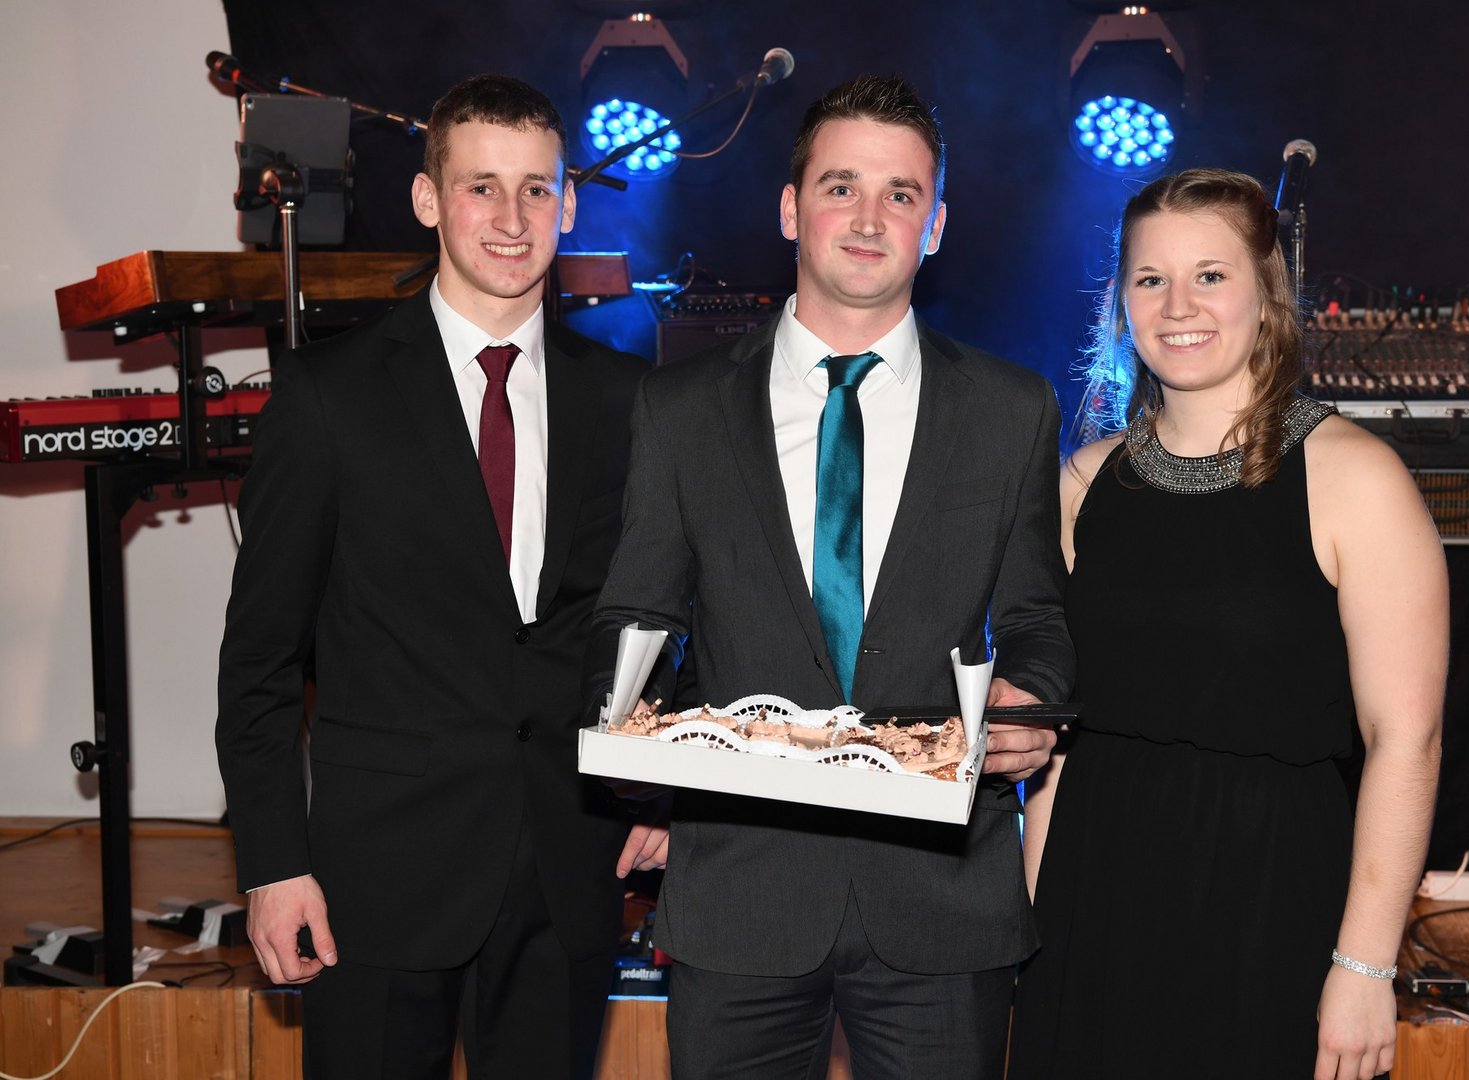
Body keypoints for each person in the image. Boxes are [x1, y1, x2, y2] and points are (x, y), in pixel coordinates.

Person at [584, 74, 1074, 1079]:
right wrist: (637, 747)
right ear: (789, 208)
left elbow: (1036, 617)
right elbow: (634, 617)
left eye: (901, 193)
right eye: (841, 186)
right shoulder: (679, 408)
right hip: (740, 891)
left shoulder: (1011, 409)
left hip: (944, 898)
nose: (868, 217)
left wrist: (1031, 694)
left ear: (935, 226)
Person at [215, 74, 648, 1080]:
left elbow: (654, 622)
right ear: (426, 199)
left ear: (569, 206)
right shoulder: (326, 399)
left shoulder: (631, 400)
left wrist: (663, 796)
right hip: (378, 878)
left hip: (567, 869)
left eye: (536, 189)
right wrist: (273, 863)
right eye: (480, 187)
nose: (511, 218)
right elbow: (261, 660)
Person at [1008, 167, 1447, 1080]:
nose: (1179, 305)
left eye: (1210, 275)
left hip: (1271, 897)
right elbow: (1056, 746)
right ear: (1121, 302)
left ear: (1266, 291)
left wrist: (1366, 966)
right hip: (1097, 896)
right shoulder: (1082, 483)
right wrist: (1030, 925)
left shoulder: (1355, 478)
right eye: (1151, 278)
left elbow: (1407, 741)